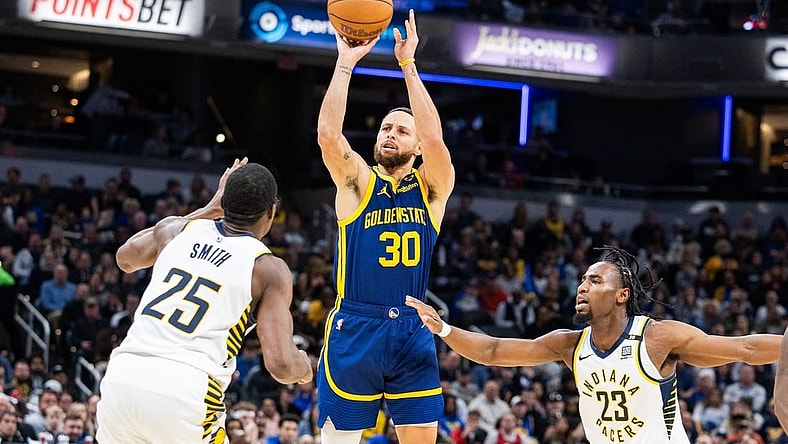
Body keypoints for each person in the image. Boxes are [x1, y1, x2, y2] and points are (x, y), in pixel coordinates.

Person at [407, 245, 782, 444]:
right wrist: (444, 330)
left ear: (621, 295)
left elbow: (745, 349)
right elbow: (493, 351)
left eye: (595, 281)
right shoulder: (569, 344)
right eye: (582, 279)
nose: (582, 286)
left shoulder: (657, 337)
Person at [96, 158, 313, 444]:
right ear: (271, 212)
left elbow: (125, 258)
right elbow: (282, 366)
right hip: (186, 388)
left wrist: (207, 209)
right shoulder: (267, 268)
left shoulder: (176, 230)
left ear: (223, 201)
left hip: (123, 377)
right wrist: (305, 366)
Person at [314, 8, 455, 444]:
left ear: (415, 147)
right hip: (355, 325)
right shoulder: (358, 182)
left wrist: (408, 65)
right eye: (385, 128)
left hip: (412, 329)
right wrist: (344, 63)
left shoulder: (432, 189)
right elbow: (328, 135)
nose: (390, 134)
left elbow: (435, 140)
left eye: (401, 130)